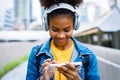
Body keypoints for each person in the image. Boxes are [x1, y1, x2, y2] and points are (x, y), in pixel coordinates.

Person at [26, 0, 100, 80]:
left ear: (75, 25)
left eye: (67, 30)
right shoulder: (36, 54)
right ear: (47, 26)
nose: (61, 36)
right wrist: (43, 78)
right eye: (55, 30)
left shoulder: (88, 55)